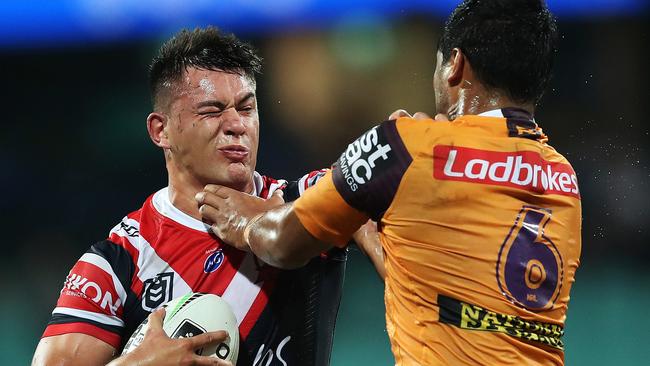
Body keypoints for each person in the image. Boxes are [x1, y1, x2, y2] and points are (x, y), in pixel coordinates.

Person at [198, 0, 582, 365]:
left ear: (454, 65)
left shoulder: (408, 144)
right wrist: (370, 219)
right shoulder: (562, 178)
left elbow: (283, 245)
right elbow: (462, 300)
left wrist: (244, 221)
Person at [32, 27, 353, 366]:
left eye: (246, 108)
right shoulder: (119, 261)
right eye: (212, 111)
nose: (236, 125)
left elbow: (378, 185)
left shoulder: (302, 202)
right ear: (161, 130)